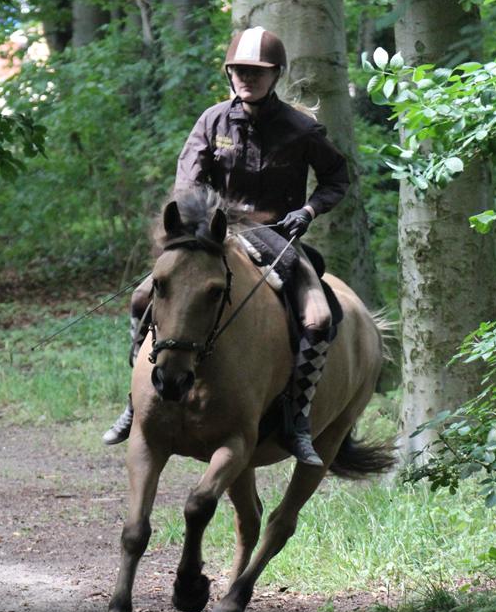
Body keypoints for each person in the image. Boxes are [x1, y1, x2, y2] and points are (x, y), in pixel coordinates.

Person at [102, 26, 351, 468]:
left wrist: (309, 211)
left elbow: (337, 179)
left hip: (277, 239)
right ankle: (134, 400)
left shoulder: (302, 129)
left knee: (318, 317)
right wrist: (198, 221)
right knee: (143, 296)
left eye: (256, 72)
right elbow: (188, 180)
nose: (245, 79)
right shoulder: (212, 121)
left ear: (275, 74)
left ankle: (297, 417)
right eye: (238, 70)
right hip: (212, 236)